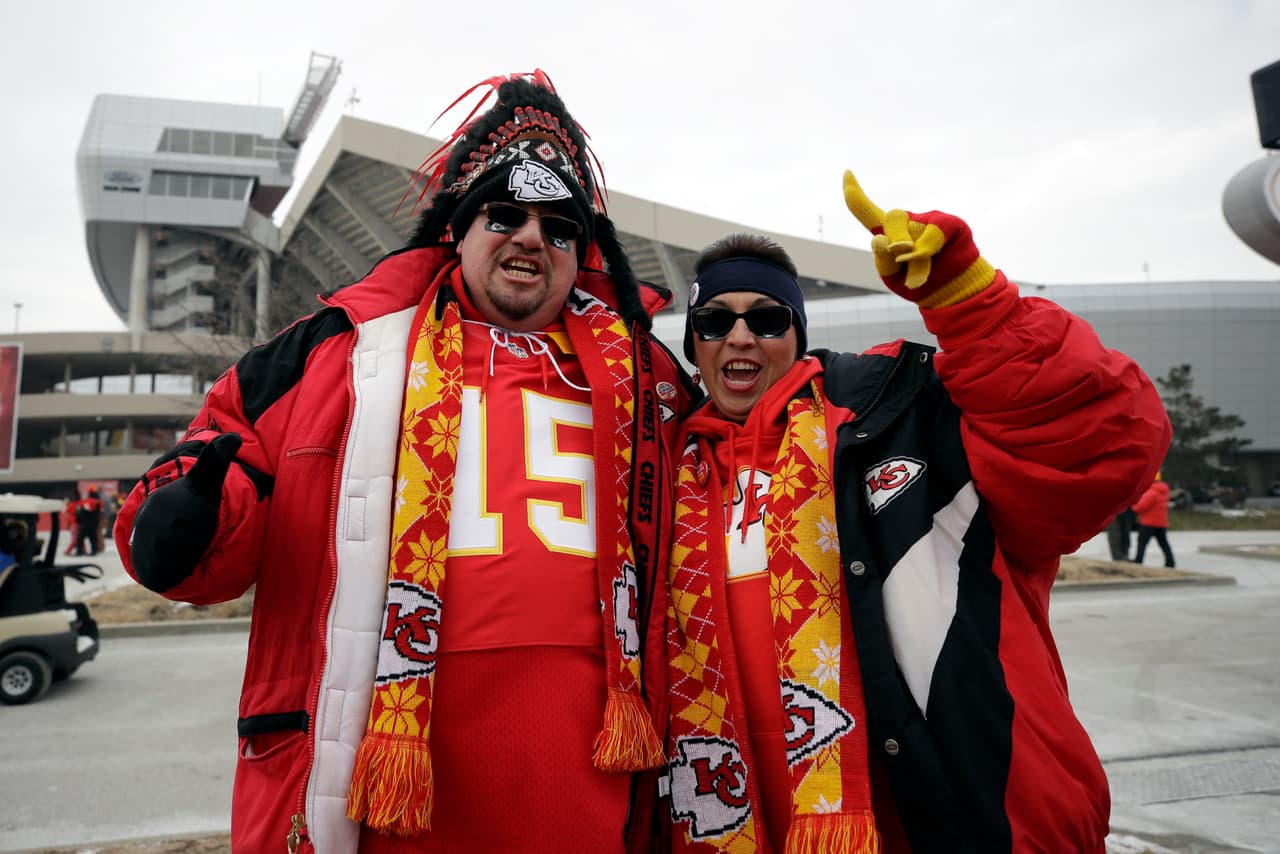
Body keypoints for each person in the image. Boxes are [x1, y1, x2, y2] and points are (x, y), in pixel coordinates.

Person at [113, 72, 698, 853]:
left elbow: (758, 460)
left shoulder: (650, 377)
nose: (531, 237)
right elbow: (216, 479)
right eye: (505, 215)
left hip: (591, 782)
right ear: (458, 228)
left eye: (560, 228)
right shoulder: (339, 352)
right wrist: (185, 527)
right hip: (389, 781)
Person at [660, 172, 1172, 853]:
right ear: (694, 345)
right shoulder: (664, 470)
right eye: (716, 321)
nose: (741, 336)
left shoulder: (900, 413)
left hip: (942, 812)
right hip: (738, 821)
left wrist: (973, 306)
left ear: (798, 333)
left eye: (768, 317)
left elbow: (1107, 438)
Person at [1132, 473, 1176, 567]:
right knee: (1164, 543)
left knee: (1142, 543)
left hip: (1148, 523)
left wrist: (1133, 506)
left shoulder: (1152, 491)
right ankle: (1170, 562)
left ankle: (1138, 560)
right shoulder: (1164, 491)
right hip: (1161, 523)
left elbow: (1141, 506)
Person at [74, 487, 102, 556]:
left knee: (80, 537)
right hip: (93, 522)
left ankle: (79, 551)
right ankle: (94, 551)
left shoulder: (85, 501)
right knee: (93, 537)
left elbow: (80, 512)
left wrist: (79, 520)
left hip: (85, 522)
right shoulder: (98, 502)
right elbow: (98, 512)